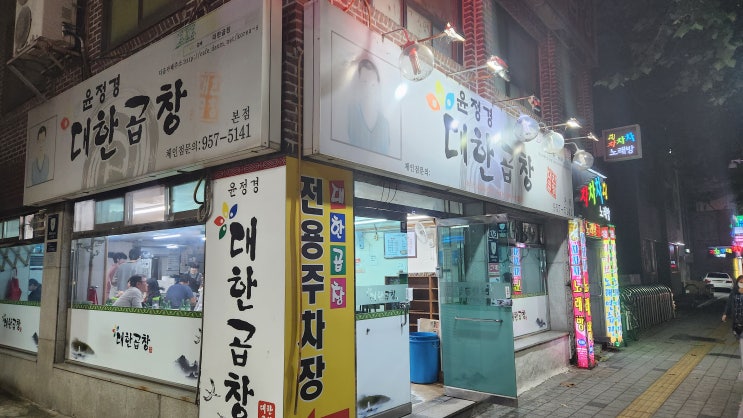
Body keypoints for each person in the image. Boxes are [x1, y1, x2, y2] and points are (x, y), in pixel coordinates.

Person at [347, 58, 390, 155]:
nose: (368, 89)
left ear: (378, 86)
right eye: (364, 82)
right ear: (358, 84)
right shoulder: (350, 114)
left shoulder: (384, 124)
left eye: (373, 84)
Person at [722, 275, 743, 379]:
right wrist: (725, 314)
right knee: (741, 343)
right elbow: (729, 304)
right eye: (741, 282)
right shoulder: (734, 292)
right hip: (737, 322)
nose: (742, 284)